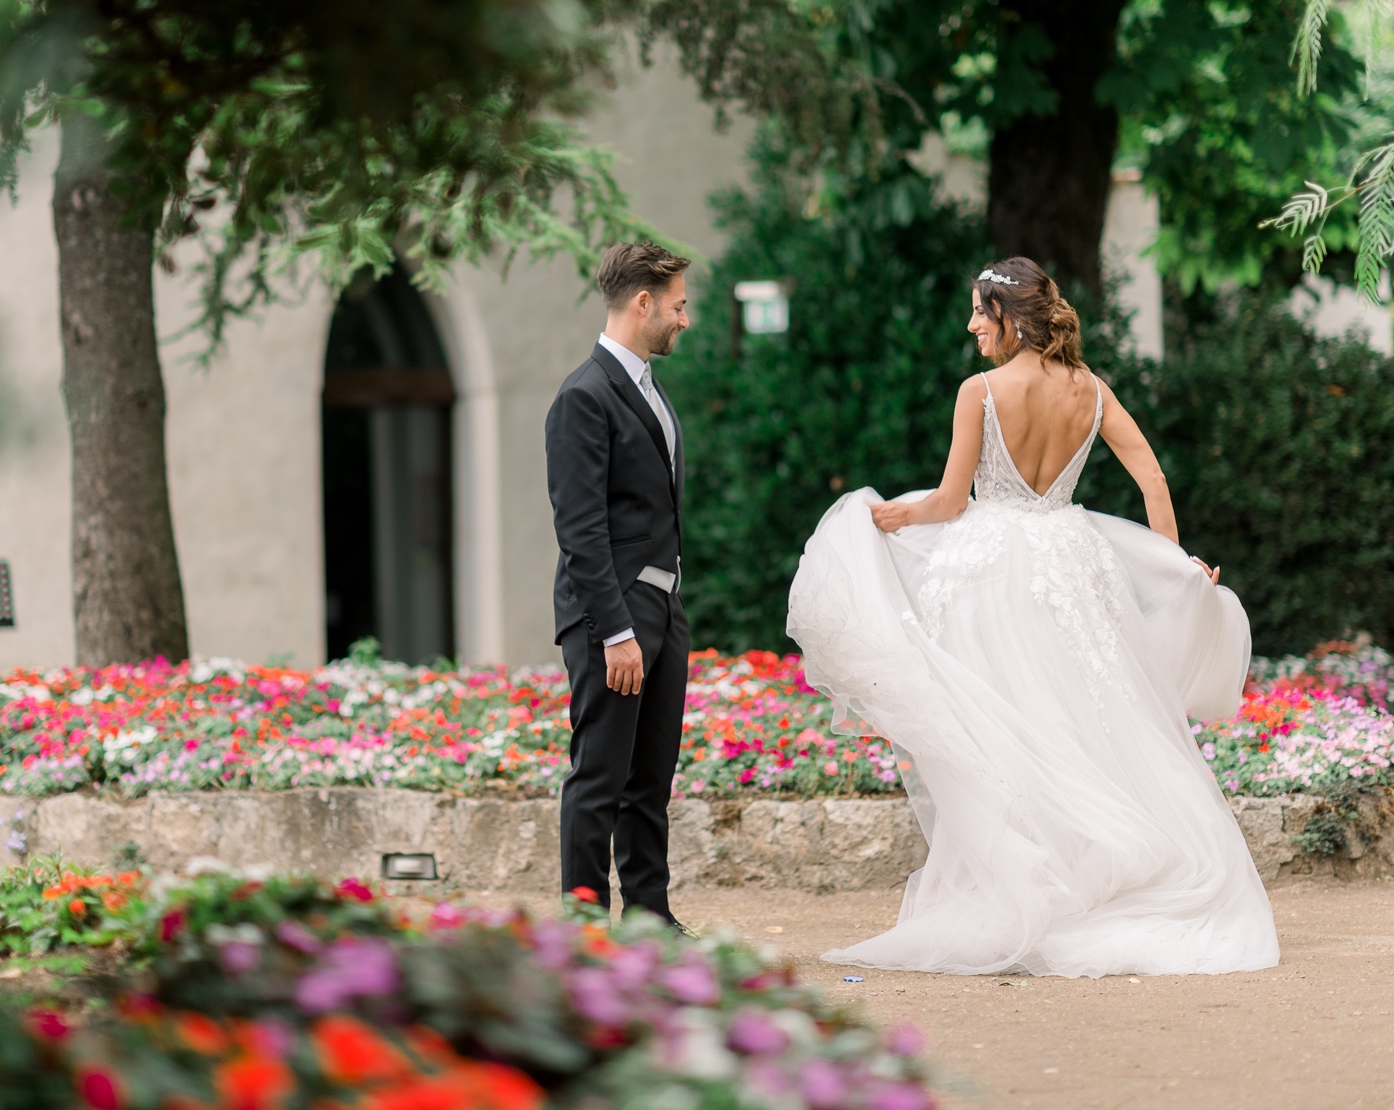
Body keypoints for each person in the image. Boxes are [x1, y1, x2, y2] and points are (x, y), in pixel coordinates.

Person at [787, 256, 1279, 976]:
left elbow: (951, 503)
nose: (970, 325)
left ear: (1009, 318)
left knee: (1006, 733)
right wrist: (1170, 565)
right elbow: (1151, 476)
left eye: (979, 313)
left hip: (995, 576)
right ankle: (1097, 885)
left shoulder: (979, 391)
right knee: (1087, 724)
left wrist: (889, 516)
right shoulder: (1091, 389)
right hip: (1075, 567)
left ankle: (1033, 892)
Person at [545, 241, 693, 929]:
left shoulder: (647, 390)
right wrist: (617, 630)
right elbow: (580, 529)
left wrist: (663, 609)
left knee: (649, 780)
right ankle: (582, 928)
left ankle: (648, 919)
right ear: (644, 303)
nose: (684, 319)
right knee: (600, 775)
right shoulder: (584, 395)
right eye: (679, 305)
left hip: (664, 603)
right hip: (613, 612)